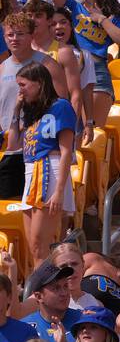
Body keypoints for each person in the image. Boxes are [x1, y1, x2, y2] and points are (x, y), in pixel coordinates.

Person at [13, 62, 76, 255]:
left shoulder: (61, 106)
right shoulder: (31, 111)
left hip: (50, 169)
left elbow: (66, 151)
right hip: (31, 172)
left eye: (23, 85)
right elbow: (13, 145)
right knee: (33, 246)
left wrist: (59, 191)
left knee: (40, 245)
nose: (20, 91)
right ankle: (41, 284)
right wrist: (16, 111)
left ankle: (43, 286)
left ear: (39, 83)